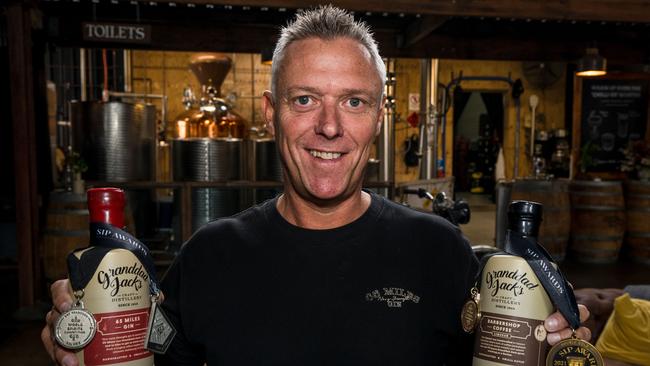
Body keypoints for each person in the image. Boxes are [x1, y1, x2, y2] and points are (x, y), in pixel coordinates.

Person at [42, 5, 591, 365]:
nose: (330, 126)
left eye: (353, 101)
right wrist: (84, 341)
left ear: (379, 117)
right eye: (305, 99)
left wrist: (557, 346)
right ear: (271, 111)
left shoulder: (440, 252)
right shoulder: (209, 255)